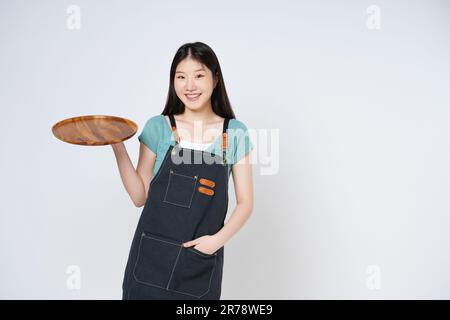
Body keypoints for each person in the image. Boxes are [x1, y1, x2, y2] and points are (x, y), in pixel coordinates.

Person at [111, 42, 254, 300]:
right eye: (181, 77)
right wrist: (117, 146)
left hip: (199, 264)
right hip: (149, 263)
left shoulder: (233, 133)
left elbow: (245, 203)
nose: (189, 86)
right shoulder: (158, 127)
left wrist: (215, 242)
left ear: (215, 78)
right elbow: (139, 196)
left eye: (199, 75)